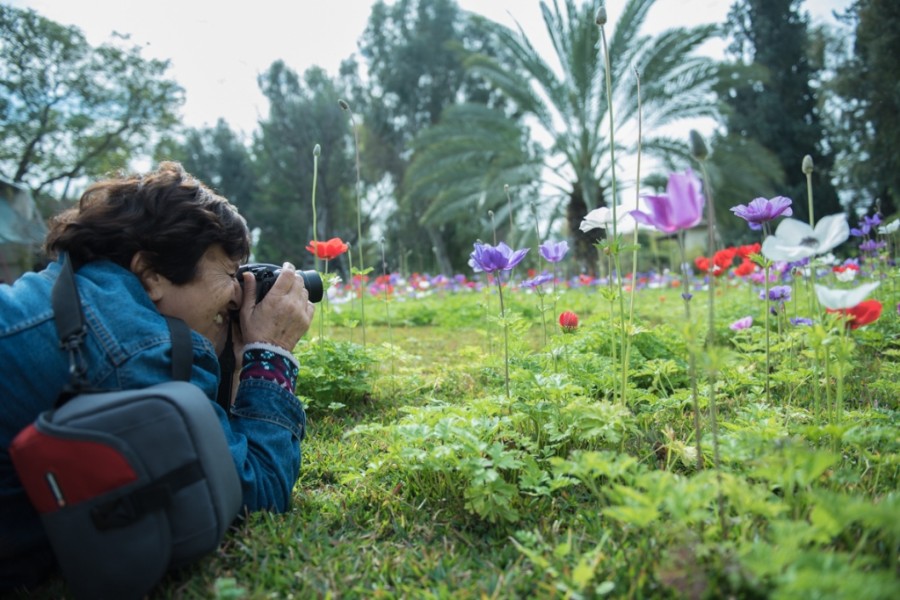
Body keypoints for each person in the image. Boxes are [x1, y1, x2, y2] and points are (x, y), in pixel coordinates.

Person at [0, 162, 314, 591]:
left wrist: (236, 364)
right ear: (151, 274)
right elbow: (254, 498)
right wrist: (271, 354)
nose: (241, 292)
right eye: (228, 273)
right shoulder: (140, 347)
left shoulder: (81, 292)